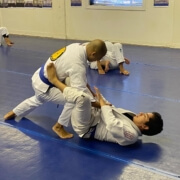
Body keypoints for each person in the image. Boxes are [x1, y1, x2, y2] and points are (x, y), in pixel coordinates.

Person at [4, 39, 107, 139]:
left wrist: (92, 92)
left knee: (38, 99)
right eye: (98, 58)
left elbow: (82, 80)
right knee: (75, 99)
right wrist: (102, 105)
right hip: (46, 86)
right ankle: (58, 126)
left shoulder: (77, 46)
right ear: (93, 54)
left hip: (39, 78)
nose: (98, 61)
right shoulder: (77, 64)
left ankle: (14, 112)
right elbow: (80, 94)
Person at [45, 63, 163, 146]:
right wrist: (93, 93)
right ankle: (55, 86)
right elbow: (110, 108)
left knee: (82, 99)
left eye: (145, 116)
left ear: (145, 127)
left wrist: (100, 102)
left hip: (86, 127)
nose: (141, 113)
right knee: (77, 82)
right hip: (94, 114)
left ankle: (54, 80)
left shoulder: (131, 136)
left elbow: (111, 123)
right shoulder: (131, 116)